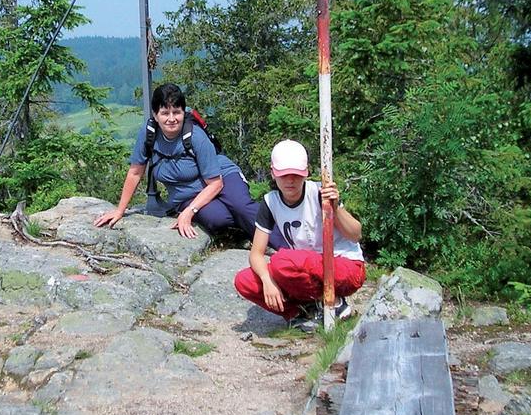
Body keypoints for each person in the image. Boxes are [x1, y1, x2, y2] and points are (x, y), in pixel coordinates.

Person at [94, 83, 286, 248]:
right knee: (218, 219)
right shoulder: (149, 134)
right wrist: (120, 210)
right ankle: (248, 226)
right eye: (165, 113)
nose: (171, 119)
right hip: (187, 193)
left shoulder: (195, 136)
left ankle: (288, 247)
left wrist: (189, 212)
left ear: (183, 112)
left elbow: (216, 183)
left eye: (176, 112)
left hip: (221, 177)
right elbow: (135, 172)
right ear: (155, 114)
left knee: (241, 207)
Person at [234, 139, 365, 330]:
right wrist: (267, 281)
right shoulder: (270, 203)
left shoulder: (321, 192)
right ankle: (302, 313)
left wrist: (335, 209)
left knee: (283, 261)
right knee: (245, 281)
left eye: (296, 175)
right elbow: (256, 253)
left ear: (306, 173)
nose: (290, 181)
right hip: (306, 269)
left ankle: (335, 303)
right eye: (284, 175)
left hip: (344, 266)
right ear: (273, 173)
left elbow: (356, 234)